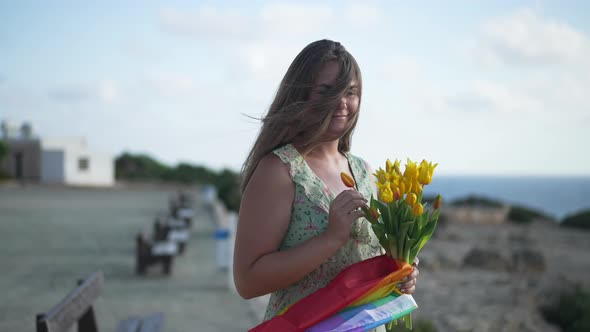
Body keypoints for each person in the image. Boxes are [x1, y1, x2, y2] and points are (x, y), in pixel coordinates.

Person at [233, 39, 419, 325]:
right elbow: (247, 282)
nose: (342, 103)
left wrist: (398, 275)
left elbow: (362, 267)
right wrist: (330, 239)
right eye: (326, 91)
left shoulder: (364, 171)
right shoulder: (279, 170)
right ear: (301, 95)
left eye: (351, 92)